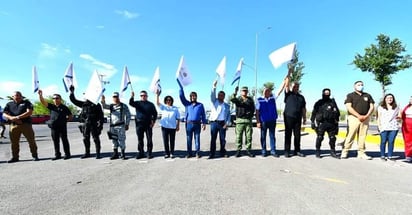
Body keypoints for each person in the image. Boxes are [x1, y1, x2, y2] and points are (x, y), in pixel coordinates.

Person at [340, 81, 375, 159]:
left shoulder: (367, 95)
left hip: (365, 118)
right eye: (358, 85)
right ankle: (345, 151)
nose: (360, 86)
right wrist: (358, 115)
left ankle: (361, 153)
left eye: (362, 85)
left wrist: (367, 115)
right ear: (354, 86)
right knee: (351, 135)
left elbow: (372, 106)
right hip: (354, 118)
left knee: (362, 136)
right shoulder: (350, 95)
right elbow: (349, 107)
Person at [3, 91, 39, 162]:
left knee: (31, 141)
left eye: (19, 95)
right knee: (14, 143)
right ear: (12, 97)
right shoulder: (9, 104)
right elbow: (4, 114)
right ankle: (15, 157)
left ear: (22, 96)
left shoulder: (26, 102)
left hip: (25, 124)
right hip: (13, 125)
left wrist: (18, 117)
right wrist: (11, 118)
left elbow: (29, 112)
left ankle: (35, 155)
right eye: (16, 95)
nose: (18, 97)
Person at [69, 85, 104, 159]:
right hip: (86, 124)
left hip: (94, 124)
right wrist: (72, 92)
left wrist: (100, 126)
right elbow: (73, 100)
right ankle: (87, 153)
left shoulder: (97, 105)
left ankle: (98, 153)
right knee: (85, 138)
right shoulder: (83, 104)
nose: (85, 96)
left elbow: (101, 117)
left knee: (95, 138)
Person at [39, 90, 73, 160]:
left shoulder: (64, 107)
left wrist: (65, 121)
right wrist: (40, 95)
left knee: (64, 140)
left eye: (57, 98)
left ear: (60, 99)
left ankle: (67, 154)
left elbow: (70, 116)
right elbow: (43, 102)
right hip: (54, 127)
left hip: (62, 127)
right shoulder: (52, 106)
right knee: (55, 141)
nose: (55, 99)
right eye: (53, 98)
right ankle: (57, 155)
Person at [178, 81, 207, 158]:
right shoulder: (187, 104)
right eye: (191, 96)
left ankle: (197, 152)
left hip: (197, 124)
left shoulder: (200, 105)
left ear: (196, 97)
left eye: (194, 96)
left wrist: (204, 123)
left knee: (197, 138)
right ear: (190, 97)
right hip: (189, 124)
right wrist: (181, 88)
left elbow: (203, 115)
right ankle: (189, 153)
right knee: (189, 139)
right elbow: (181, 96)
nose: (193, 97)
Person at [283, 67, 307, 158]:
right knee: (288, 134)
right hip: (288, 117)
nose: (296, 88)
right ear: (292, 87)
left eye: (297, 87)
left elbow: (304, 108)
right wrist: (289, 72)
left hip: (298, 118)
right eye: (294, 86)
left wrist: (304, 118)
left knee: (297, 135)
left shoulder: (301, 97)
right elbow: (286, 85)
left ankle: (297, 151)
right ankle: (287, 151)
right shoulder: (288, 94)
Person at [310, 88, 340, 159]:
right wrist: (312, 122)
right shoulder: (319, 102)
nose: (327, 94)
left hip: (331, 123)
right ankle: (317, 151)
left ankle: (333, 152)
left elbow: (337, 113)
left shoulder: (332, 102)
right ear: (322, 93)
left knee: (332, 138)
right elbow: (314, 113)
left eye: (328, 93)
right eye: (325, 93)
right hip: (322, 123)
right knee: (320, 137)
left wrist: (337, 122)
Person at [101, 92, 131, 160]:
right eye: (114, 97)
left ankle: (122, 153)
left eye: (116, 97)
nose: (115, 98)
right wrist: (103, 100)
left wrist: (127, 124)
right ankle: (115, 153)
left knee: (121, 140)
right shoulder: (111, 106)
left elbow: (128, 115)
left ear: (118, 97)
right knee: (114, 140)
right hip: (112, 126)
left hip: (121, 126)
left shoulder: (123, 106)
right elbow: (104, 106)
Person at [129, 90, 158, 159]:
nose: (143, 96)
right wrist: (132, 96)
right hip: (139, 124)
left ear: (147, 96)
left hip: (148, 124)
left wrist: (153, 122)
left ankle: (149, 153)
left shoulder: (150, 104)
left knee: (149, 139)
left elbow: (155, 114)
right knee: (140, 139)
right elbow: (131, 103)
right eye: (142, 95)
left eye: (144, 95)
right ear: (140, 96)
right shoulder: (137, 103)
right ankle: (141, 152)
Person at [255, 86, 281, 157]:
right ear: (263, 92)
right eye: (266, 91)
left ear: (270, 93)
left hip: (272, 120)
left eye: (269, 91)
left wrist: (285, 81)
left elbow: (280, 90)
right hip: (263, 121)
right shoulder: (259, 100)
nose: (267, 92)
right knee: (263, 136)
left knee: (272, 136)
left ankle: (273, 150)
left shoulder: (273, 98)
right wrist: (258, 122)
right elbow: (257, 111)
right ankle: (263, 150)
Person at [230, 86, 255, 157]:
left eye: (246, 91)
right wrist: (235, 92)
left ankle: (248, 150)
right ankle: (238, 150)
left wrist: (250, 115)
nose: (244, 92)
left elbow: (253, 109)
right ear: (241, 92)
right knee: (238, 136)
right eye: (243, 91)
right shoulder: (238, 99)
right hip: (240, 120)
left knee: (249, 136)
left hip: (248, 120)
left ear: (247, 91)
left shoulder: (250, 99)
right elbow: (232, 99)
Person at [208, 80, 230, 159]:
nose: (220, 96)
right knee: (213, 139)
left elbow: (228, 115)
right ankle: (212, 153)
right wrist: (214, 86)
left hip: (222, 124)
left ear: (224, 96)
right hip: (214, 123)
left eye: (222, 95)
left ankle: (222, 152)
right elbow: (212, 95)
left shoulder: (227, 105)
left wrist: (227, 123)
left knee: (223, 139)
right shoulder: (214, 101)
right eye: (219, 95)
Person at [155, 91, 180, 158]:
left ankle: (172, 153)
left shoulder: (175, 108)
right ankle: (167, 153)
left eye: (169, 100)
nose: (168, 101)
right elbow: (157, 103)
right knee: (165, 140)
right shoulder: (163, 107)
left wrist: (178, 126)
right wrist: (157, 95)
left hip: (172, 127)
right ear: (165, 101)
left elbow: (178, 118)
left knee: (172, 140)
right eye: (167, 100)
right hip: (164, 127)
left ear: (172, 101)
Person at [377, 93, 400, 161]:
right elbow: (379, 117)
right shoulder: (380, 107)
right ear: (385, 99)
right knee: (383, 141)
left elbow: (400, 116)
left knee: (391, 141)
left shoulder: (397, 107)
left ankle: (390, 155)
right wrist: (379, 126)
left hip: (393, 127)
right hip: (384, 127)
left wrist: (399, 119)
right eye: (388, 98)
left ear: (393, 99)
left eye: (391, 98)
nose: (389, 99)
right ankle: (382, 155)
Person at [401, 96, 412, 162]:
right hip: (406, 125)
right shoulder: (407, 107)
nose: (411, 100)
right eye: (410, 99)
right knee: (407, 141)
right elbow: (402, 116)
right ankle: (408, 155)